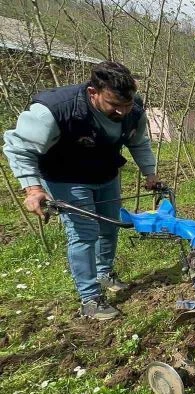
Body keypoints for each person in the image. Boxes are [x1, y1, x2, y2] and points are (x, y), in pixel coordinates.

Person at [2, 61, 160, 320]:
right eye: (114, 105)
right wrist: (32, 188)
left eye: (127, 104)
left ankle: (104, 273)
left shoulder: (133, 110)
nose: (122, 111)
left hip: (106, 173)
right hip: (66, 178)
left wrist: (150, 173)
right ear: (93, 93)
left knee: (110, 227)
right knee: (84, 234)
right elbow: (19, 148)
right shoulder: (55, 110)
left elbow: (138, 142)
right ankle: (90, 298)